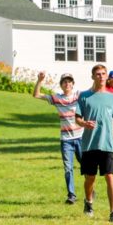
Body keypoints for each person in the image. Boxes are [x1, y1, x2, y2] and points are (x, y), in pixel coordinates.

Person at [75, 64, 113, 223]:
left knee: (110, 176)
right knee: (89, 179)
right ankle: (88, 202)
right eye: (98, 74)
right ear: (93, 77)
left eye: (103, 74)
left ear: (107, 76)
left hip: (108, 144)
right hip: (89, 144)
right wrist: (84, 123)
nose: (101, 76)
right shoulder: (84, 96)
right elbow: (77, 118)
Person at [33, 71, 83, 204]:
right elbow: (36, 95)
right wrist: (39, 80)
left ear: (73, 84)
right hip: (66, 140)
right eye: (64, 82)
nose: (67, 84)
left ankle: (90, 190)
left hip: (81, 137)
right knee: (68, 168)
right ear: (61, 85)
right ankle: (71, 195)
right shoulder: (57, 98)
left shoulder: (79, 96)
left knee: (86, 166)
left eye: (69, 82)